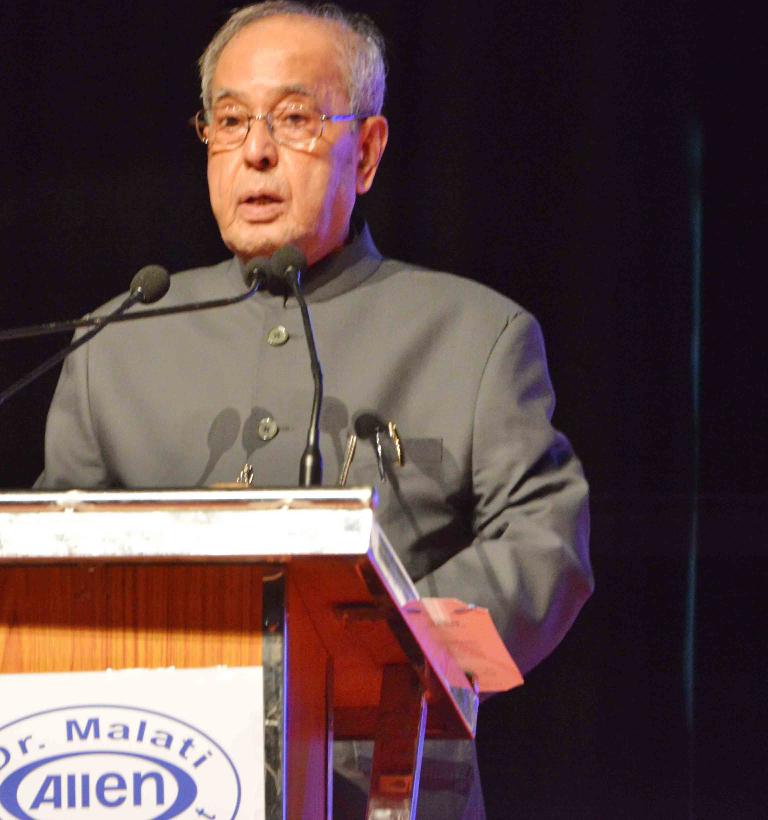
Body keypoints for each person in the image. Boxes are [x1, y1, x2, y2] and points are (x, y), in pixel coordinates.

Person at [38, 2, 593, 816]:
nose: (256, 151)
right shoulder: (119, 339)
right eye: (230, 121)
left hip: (387, 783)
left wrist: (377, 643)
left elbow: (546, 545)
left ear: (365, 152)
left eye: (294, 118)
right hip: (150, 770)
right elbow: (50, 570)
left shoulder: (473, 334)